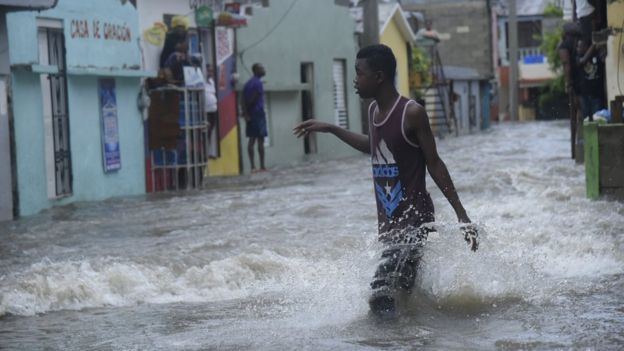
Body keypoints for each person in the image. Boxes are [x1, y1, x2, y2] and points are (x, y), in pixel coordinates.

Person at [293, 45, 477, 316]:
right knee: (401, 293)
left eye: (358, 73)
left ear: (379, 77)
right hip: (391, 221)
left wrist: (462, 215)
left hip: (414, 220)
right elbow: (374, 145)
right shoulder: (373, 111)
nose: (354, 80)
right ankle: (412, 338)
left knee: (380, 295)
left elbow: (435, 163)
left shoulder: (411, 113)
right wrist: (331, 129)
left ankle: (391, 342)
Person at [242, 63, 268, 173]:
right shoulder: (257, 83)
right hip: (257, 113)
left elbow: (242, 100)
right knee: (260, 140)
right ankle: (262, 166)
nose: (264, 70)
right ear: (256, 70)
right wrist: (248, 112)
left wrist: (245, 113)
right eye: (261, 68)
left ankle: (253, 167)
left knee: (252, 140)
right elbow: (253, 99)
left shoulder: (247, 83)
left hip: (251, 114)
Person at [576, 39, 605, 121]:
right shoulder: (578, 58)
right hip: (584, 94)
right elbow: (583, 61)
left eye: (580, 46)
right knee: (586, 119)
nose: (578, 49)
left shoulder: (596, 56)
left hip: (596, 94)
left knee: (598, 118)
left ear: (586, 47)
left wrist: (601, 47)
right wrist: (593, 46)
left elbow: (603, 59)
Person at [204, 63, 218, 156]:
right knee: (205, 131)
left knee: (210, 131)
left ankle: (209, 151)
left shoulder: (212, 81)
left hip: (213, 110)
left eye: (212, 71)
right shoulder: (201, 81)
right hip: (205, 111)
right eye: (209, 71)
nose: (211, 73)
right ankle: (204, 152)